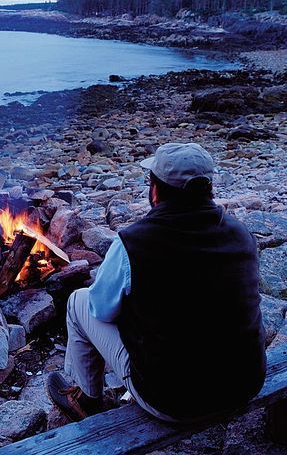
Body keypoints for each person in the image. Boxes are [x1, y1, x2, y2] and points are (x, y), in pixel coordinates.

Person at [47, 143, 266, 422]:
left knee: (79, 301)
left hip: (174, 402)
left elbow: (100, 311)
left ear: (155, 190)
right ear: (208, 188)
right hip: (244, 385)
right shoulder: (240, 233)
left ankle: (86, 400)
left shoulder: (133, 242)